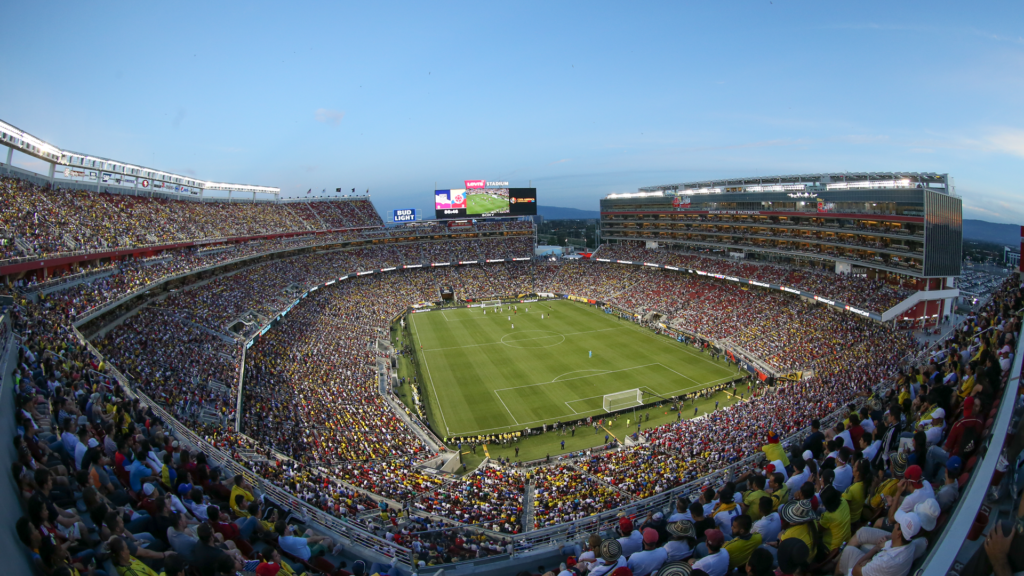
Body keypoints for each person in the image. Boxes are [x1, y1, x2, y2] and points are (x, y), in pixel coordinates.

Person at [835, 510, 920, 576]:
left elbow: (855, 571)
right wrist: (877, 548)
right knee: (863, 537)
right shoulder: (910, 543)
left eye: (897, 524)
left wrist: (875, 549)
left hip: (867, 569)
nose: (895, 525)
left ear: (899, 533)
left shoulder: (886, 562)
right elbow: (884, 545)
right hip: (880, 564)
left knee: (848, 551)